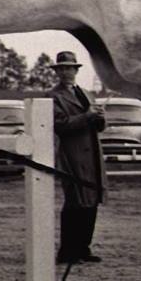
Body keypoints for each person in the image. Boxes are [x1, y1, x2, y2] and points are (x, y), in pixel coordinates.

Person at [50, 51, 107, 264]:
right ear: (57, 72)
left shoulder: (86, 94)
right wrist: (87, 117)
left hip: (91, 153)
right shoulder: (53, 96)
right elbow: (60, 124)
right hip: (72, 154)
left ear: (76, 70)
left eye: (69, 67)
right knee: (75, 201)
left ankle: (84, 247)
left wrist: (100, 118)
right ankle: (67, 251)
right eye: (62, 68)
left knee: (91, 201)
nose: (66, 72)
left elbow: (98, 125)